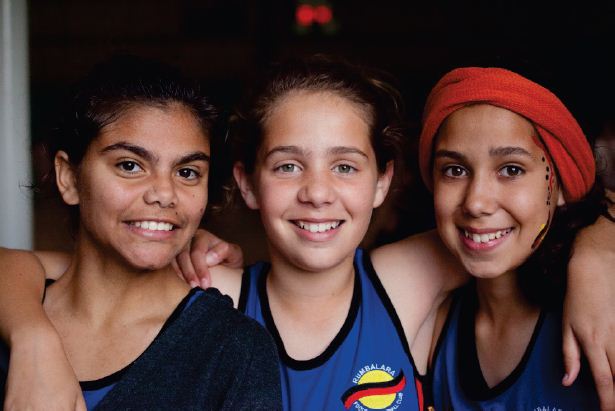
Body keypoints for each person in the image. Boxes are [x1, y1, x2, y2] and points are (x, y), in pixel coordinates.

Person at [1, 55, 615, 410]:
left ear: (383, 182)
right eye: (288, 165)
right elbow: (47, 266)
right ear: (245, 183)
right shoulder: (216, 288)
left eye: (345, 165)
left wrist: (597, 249)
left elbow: (512, 219)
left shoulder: (407, 281)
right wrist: (30, 334)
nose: (317, 191)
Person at [0, 55, 282, 410]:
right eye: (130, 165)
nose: (164, 194)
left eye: (188, 172)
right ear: (69, 178)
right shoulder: (15, 316)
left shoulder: (234, 352)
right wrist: (32, 339)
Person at [421, 67, 606, 408]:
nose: (476, 202)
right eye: (455, 170)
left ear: (560, 184)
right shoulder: (428, 323)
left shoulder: (603, 314)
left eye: (511, 169)